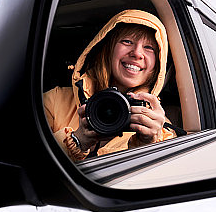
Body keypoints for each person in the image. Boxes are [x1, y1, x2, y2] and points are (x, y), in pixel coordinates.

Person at [44, 9, 177, 162]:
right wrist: (77, 140)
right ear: (109, 50)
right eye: (127, 41)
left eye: (149, 48)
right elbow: (21, 160)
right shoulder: (54, 101)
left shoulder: (157, 127)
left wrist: (146, 145)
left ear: (157, 66)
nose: (137, 53)